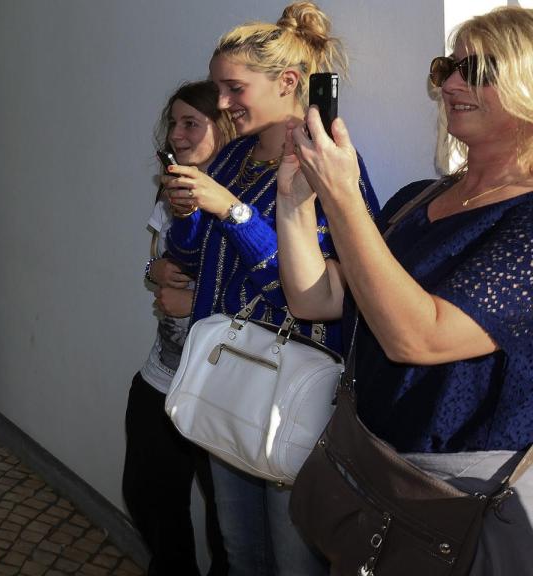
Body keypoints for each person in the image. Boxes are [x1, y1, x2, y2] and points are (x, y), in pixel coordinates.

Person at [276, 7, 533, 574]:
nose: (452, 84)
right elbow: (316, 301)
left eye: (479, 68)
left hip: (457, 502)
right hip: (368, 468)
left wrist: (343, 199)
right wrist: (296, 201)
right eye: (448, 67)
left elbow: (416, 338)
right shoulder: (419, 197)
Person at [163, 3, 379, 574]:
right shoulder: (232, 155)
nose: (224, 103)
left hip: (293, 397)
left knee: (294, 562)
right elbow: (187, 258)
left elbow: (314, 297)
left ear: (288, 82)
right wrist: (186, 211)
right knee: (240, 553)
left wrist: (233, 212)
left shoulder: (330, 165)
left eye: (234, 88)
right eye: (217, 88)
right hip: (225, 375)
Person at [122, 80, 233, 576]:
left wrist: (194, 297)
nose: (178, 134)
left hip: (221, 391)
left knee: (228, 526)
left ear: (225, 126)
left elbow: (274, 286)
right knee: (146, 495)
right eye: (174, 123)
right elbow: (155, 266)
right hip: (161, 377)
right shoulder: (172, 191)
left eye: (192, 123)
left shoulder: (241, 199)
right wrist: (155, 274)